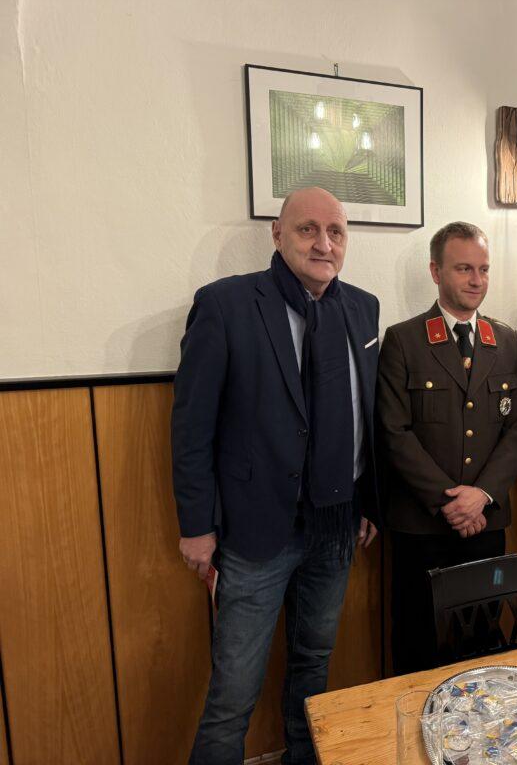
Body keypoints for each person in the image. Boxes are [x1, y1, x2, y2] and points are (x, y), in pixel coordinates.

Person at [172, 187, 380, 765]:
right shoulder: (226, 304)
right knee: (234, 690)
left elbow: (364, 416)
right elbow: (192, 426)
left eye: (336, 232)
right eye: (308, 229)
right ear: (277, 234)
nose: (324, 244)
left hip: (335, 529)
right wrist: (196, 526)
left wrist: (366, 501)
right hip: (256, 533)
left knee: (313, 668)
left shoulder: (363, 308)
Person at [377, 222, 517, 673]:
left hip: (486, 521)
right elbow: (394, 431)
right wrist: (450, 501)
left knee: (482, 635)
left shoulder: (506, 341)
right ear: (436, 271)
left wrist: (481, 495)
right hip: (422, 524)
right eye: (464, 268)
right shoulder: (404, 340)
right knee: (416, 641)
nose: (476, 279)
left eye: (483, 269)